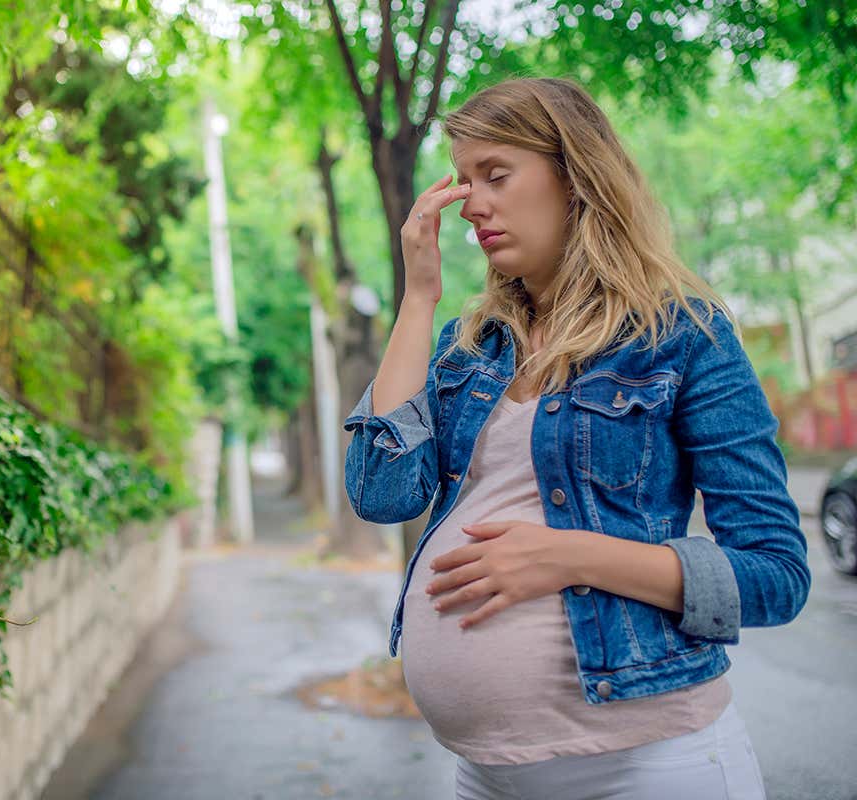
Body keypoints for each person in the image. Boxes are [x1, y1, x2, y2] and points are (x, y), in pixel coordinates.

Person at [341, 77, 810, 799]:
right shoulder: (469, 348)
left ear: (575, 175)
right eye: (463, 181)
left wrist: (571, 557)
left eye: (496, 174)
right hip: (487, 778)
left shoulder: (682, 333)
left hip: (651, 765)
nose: (471, 204)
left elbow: (777, 575)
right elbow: (381, 493)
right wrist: (418, 297)